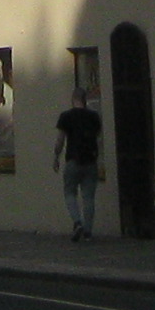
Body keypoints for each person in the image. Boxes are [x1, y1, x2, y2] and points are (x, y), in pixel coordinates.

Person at [48, 92, 102, 239]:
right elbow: (97, 137)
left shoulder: (66, 116)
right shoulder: (94, 117)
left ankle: (77, 222)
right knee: (88, 197)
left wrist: (56, 157)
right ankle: (88, 232)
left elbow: (60, 140)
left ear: (73, 100)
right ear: (85, 100)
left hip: (73, 160)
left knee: (70, 193)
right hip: (90, 161)